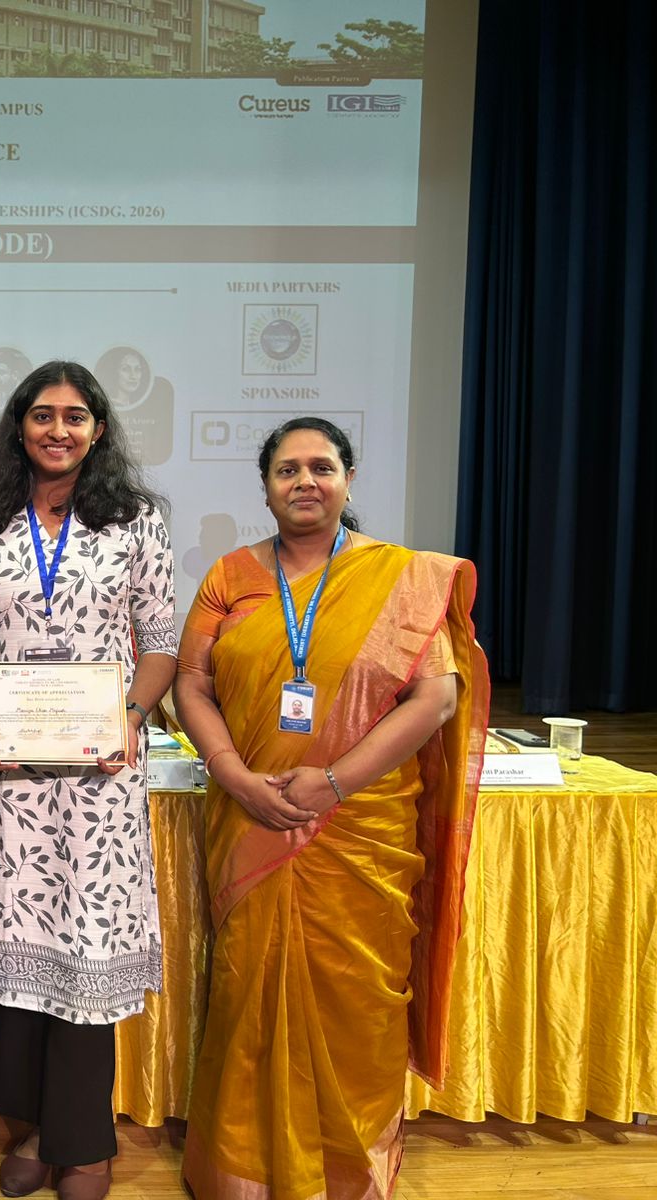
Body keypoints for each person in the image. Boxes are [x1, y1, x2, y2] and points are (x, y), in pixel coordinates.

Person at [173, 417, 489, 1199]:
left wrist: (336, 782)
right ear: (266, 488)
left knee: (356, 997)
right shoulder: (229, 576)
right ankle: (242, 1172)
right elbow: (191, 683)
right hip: (251, 814)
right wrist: (234, 775)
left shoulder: (401, 581)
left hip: (359, 826)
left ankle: (346, 1173)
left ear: (348, 480)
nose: (305, 481)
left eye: (321, 467)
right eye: (287, 470)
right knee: (247, 990)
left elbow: (436, 698)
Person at [0, 361, 176, 1200]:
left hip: (99, 778)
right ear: (20, 426)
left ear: (98, 429)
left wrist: (131, 719)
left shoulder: (136, 522)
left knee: (88, 943)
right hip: (5, 780)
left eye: (75, 416)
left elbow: (160, 642)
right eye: (43, 415)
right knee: (22, 943)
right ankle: (34, 1128)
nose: (58, 430)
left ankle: (85, 1143)